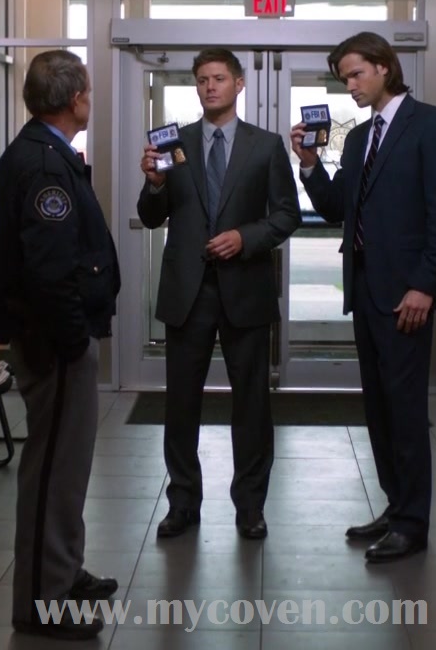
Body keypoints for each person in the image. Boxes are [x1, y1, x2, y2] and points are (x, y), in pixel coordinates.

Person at [293, 32, 436, 563]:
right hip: (366, 291)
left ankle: (413, 524)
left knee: (406, 411)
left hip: (407, 294)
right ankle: (396, 506)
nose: (350, 86)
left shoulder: (433, 125)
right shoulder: (358, 137)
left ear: (385, 67)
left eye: (356, 74)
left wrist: (425, 285)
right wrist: (309, 163)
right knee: (379, 409)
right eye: (344, 78)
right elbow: (336, 209)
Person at [0, 49, 121, 641]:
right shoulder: (44, 163)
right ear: (75, 99)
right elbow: (49, 269)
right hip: (54, 343)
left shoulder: (44, 152)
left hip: (56, 337)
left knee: (67, 469)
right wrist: (72, 341)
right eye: (87, 91)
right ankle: (45, 602)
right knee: (52, 472)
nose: (90, 99)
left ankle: (62, 572)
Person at [138, 48, 301, 541]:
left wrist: (244, 238)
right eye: (202, 80)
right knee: (180, 405)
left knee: (251, 404)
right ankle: (183, 503)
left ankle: (250, 506)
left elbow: (286, 215)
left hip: (244, 289)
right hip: (187, 292)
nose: (210, 87)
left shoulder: (265, 146)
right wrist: (154, 185)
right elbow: (151, 216)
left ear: (238, 84)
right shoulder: (173, 142)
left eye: (219, 79)